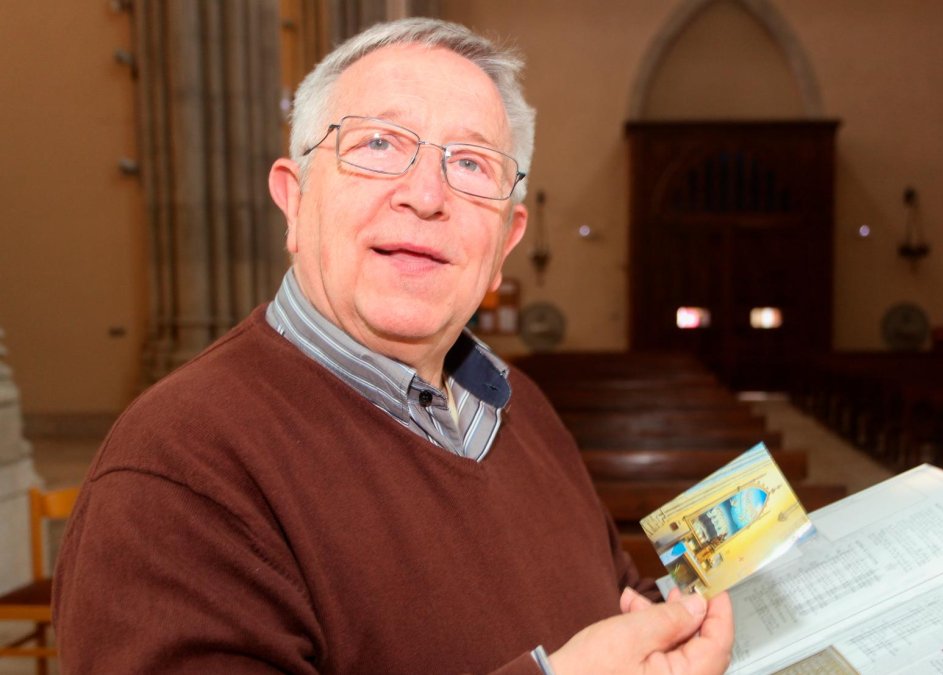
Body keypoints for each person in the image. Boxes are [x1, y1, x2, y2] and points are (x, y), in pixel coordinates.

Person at [52, 17, 733, 674]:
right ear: (295, 200)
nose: (426, 194)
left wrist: (680, 627)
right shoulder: (180, 466)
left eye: (471, 162)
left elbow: (606, 598)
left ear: (505, 241)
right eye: (378, 143)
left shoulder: (524, 407)